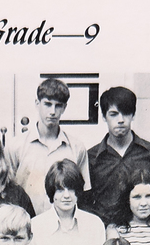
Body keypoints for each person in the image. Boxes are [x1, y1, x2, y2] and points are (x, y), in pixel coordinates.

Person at [84, 87, 150, 227]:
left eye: (126, 113)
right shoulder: (91, 158)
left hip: (144, 231)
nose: (121, 120)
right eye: (114, 114)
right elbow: (84, 203)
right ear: (104, 116)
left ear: (133, 115)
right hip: (104, 232)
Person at [6, 77, 90, 215]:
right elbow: (7, 190)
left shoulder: (76, 147)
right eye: (47, 104)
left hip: (63, 222)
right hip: (25, 221)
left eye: (58, 105)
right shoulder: (16, 146)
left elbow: (83, 194)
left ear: (64, 107)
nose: (52, 111)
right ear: (37, 104)